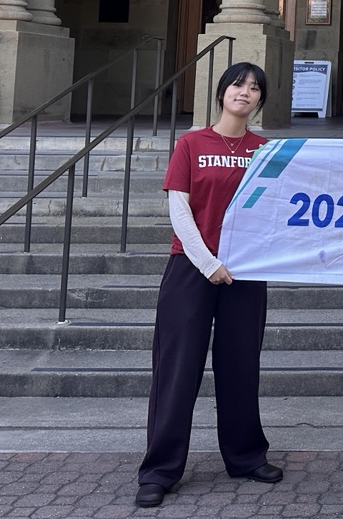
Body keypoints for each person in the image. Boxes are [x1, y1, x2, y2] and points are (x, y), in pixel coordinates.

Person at [135, 62, 283, 508]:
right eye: (238, 84)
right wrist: (207, 262)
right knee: (177, 370)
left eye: (255, 88)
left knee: (241, 366)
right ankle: (159, 470)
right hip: (191, 268)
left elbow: (277, 210)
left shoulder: (266, 150)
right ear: (222, 92)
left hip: (245, 272)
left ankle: (245, 457)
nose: (245, 92)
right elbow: (180, 211)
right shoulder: (191, 143)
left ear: (261, 100)